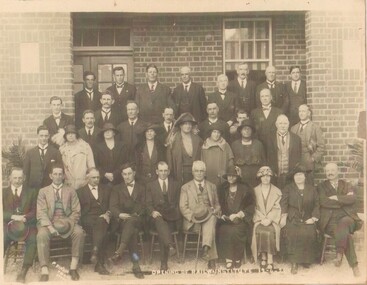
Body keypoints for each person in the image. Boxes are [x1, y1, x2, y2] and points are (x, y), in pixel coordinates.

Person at [36, 164, 85, 281]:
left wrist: (68, 224)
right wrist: (50, 227)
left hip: (67, 222)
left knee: (79, 232)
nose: (58, 177)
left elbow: (76, 211)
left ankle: (73, 267)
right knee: (41, 235)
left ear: (63, 176)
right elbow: (41, 212)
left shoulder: (71, 191)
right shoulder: (43, 191)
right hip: (48, 223)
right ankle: (44, 269)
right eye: (55, 174)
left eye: (60, 174)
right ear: (50, 176)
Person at [317, 163, 362, 277]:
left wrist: (336, 198)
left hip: (348, 217)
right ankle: (354, 266)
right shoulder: (321, 186)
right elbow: (323, 202)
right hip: (330, 220)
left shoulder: (346, 184)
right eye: (327, 171)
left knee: (344, 223)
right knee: (345, 234)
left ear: (338, 172)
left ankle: (339, 255)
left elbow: (352, 199)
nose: (330, 173)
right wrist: (343, 201)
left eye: (332, 170)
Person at [179, 160, 221, 270]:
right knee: (210, 226)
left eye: (201, 171)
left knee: (211, 218)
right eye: (196, 171)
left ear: (205, 172)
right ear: (192, 172)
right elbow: (183, 207)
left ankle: (206, 250)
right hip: (193, 221)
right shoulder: (185, 187)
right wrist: (193, 217)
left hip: (209, 215)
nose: (199, 173)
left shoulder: (212, 186)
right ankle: (209, 255)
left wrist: (215, 210)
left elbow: (217, 205)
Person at [280, 164, 320, 274]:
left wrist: (313, 218)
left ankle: (306, 260)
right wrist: (283, 216)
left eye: (301, 175)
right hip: (293, 216)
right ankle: (294, 262)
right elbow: (283, 203)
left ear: (305, 176)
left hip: (308, 216)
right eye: (296, 175)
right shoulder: (288, 188)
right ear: (293, 177)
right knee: (293, 233)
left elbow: (317, 205)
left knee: (310, 232)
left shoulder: (312, 189)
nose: (298, 177)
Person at [108, 163, 145, 279]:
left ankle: (119, 251)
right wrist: (120, 214)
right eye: (124, 174)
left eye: (129, 173)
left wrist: (135, 214)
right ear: (122, 175)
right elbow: (112, 207)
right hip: (122, 222)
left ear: (134, 173)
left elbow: (144, 207)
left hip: (138, 220)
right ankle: (136, 265)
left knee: (133, 223)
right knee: (132, 231)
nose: (127, 176)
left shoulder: (142, 188)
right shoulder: (116, 188)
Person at [3, 168, 38, 283]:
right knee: (1, 237)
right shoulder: (3, 192)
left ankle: (24, 270)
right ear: (10, 178)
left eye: (20, 178)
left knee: (33, 239)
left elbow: (34, 211)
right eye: (15, 178)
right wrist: (13, 217)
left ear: (24, 178)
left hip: (26, 224)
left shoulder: (32, 191)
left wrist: (25, 217)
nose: (17, 180)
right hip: (8, 224)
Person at [217, 166, 255, 269]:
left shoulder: (245, 188)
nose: (231, 178)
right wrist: (223, 215)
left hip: (240, 219)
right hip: (226, 219)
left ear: (237, 177)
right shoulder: (222, 188)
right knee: (224, 230)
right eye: (229, 176)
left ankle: (237, 258)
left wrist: (239, 214)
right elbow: (218, 204)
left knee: (237, 231)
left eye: (233, 176)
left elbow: (251, 205)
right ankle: (228, 259)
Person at [145, 161, 181, 271]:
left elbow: (177, 203)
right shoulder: (150, 185)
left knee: (163, 229)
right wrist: (152, 212)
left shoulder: (176, 184)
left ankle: (164, 261)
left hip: (171, 216)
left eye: (165, 170)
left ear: (169, 171)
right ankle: (166, 256)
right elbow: (148, 203)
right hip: (156, 216)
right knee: (161, 224)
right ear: (157, 171)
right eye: (161, 171)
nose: (163, 173)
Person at [76, 168, 111, 275]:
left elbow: (112, 205)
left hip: (103, 217)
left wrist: (108, 214)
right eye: (93, 177)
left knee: (101, 222)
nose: (96, 180)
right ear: (87, 178)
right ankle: (99, 261)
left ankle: (95, 254)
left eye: (98, 177)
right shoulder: (80, 191)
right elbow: (78, 210)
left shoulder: (106, 189)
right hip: (88, 219)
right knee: (100, 227)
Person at [251, 166, 282, 272]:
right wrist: (261, 218)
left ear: (271, 177)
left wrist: (269, 219)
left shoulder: (277, 191)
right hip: (259, 219)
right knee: (260, 230)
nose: (265, 178)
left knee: (269, 231)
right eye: (263, 176)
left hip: (272, 220)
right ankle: (263, 257)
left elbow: (277, 207)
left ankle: (270, 259)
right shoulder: (254, 191)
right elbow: (254, 208)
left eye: (268, 176)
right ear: (260, 177)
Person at [265, 114, 302, 189]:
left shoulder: (296, 139)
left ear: (288, 125)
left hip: (290, 176)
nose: (283, 126)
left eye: (285, 123)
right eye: (280, 123)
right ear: (276, 124)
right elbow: (266, 157)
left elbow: (299, 157)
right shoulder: (268, 138)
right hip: (275, 176)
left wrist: (293, 172)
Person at [290, 104, 325, 184]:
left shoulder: (315, 127)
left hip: (308, 160)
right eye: (300, 111)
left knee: (309, 184)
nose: (301, 113)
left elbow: (321, 146)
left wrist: (312, 159)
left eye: (303, 111)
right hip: (296, 161)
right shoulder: (293, 128)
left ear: (309, 113)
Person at [166, 113, 203, 186]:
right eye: (185, 124)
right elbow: (169, 159)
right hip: (180, 172)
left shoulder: (198, 139)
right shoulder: (173, 140)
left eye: (189, 124)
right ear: (180, 126)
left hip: (195, 173)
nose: (188, 126)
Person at [23, 125, 62, 191]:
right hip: (33, 189)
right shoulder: (30, 153)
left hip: (50, 188)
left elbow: (60, 171)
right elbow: (26, 173)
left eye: (46, 136)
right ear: (37, 136)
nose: (44, 138)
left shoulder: (55, 152)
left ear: (49, 136)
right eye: (41, 136)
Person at [231, 119, 265, 188]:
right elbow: (231, 163)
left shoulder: (258, 144)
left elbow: (264, 162)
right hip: (240, 178)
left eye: (249, 129)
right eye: (244, 129)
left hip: (255, 178)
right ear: (240, 131)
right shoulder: (235, 145)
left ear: (252, 131)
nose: (246, 131)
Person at [59, 125, 95, 189]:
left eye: (72, 133)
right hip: (68, 184)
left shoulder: (85, 146)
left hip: (83, 183)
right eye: (68, 134)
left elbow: (91, 166)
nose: (70, 135)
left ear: (76, 135)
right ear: (65, 136)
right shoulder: (62, 149)